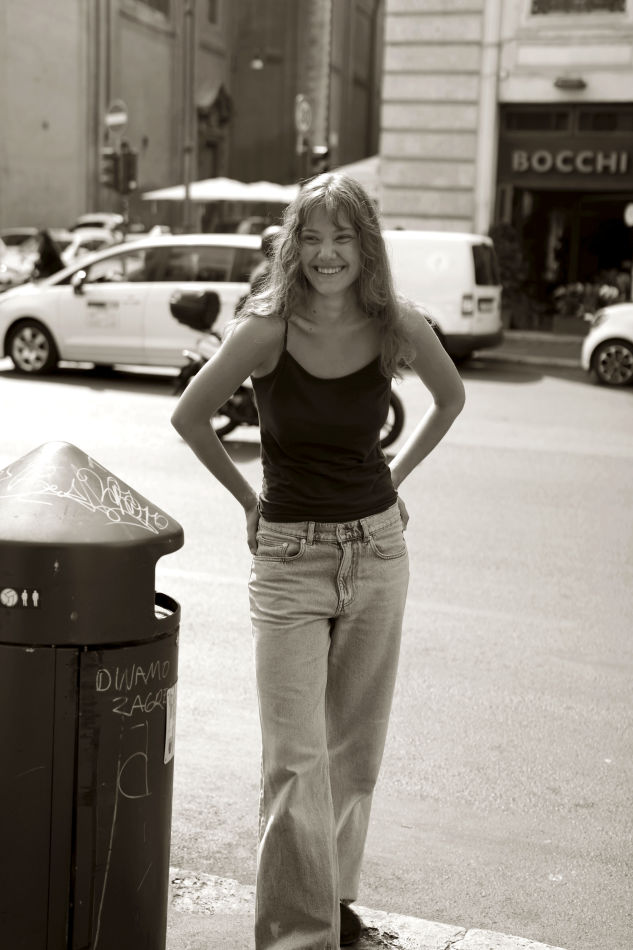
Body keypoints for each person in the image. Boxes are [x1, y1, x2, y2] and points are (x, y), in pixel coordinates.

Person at [171, 172, 465, 949]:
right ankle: (299, 938)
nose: (326, 253)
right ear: (293, 246)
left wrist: (394, 479)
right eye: (311, 237)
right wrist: (247, 500)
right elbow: (190, 416)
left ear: (366, 245)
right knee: (294, 761)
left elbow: (450, 400)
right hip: (289, 558)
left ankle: (332, 899)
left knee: (353, 753)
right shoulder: (265, 329)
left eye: (342, 237)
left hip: (377, 550)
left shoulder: (396, 323)